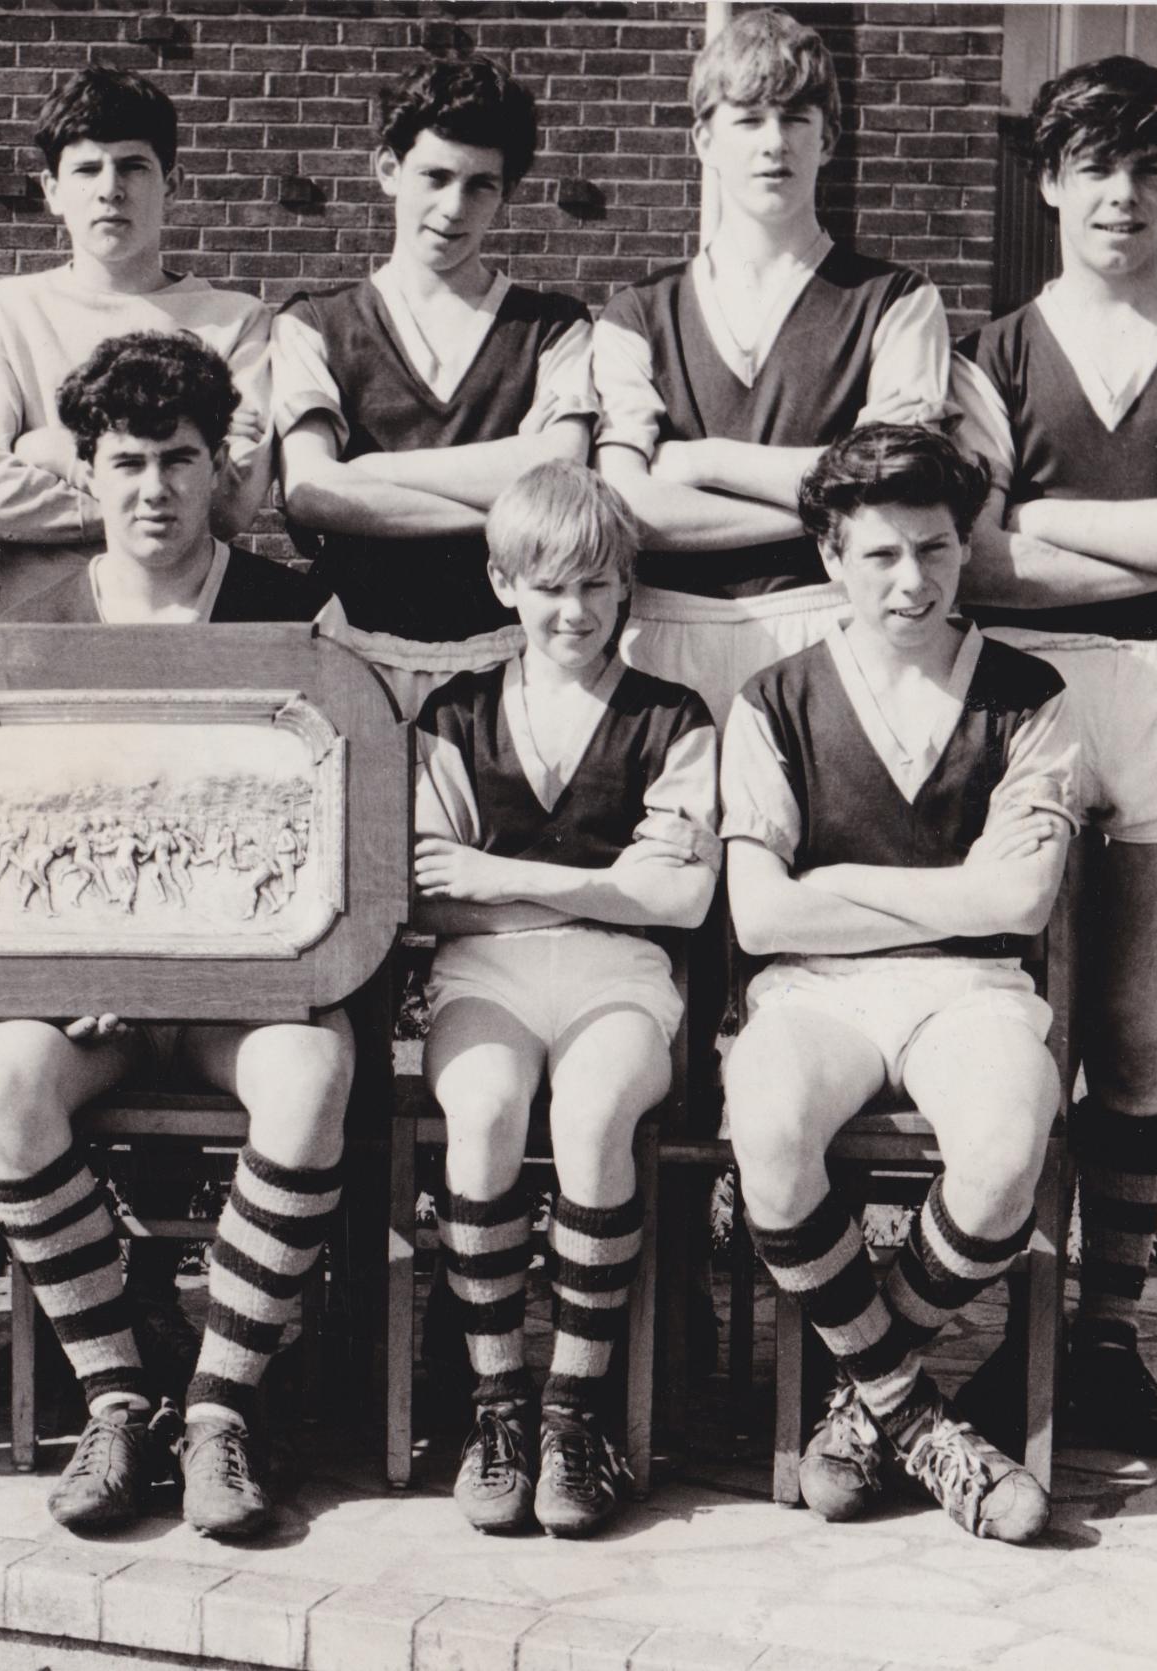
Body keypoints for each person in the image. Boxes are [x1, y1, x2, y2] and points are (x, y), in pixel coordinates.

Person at [949, 57, 1157, 1460]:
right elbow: (967, 560)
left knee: (1137, 1040)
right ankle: (1020, 1335)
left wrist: (1047, 527)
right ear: (1049, 180)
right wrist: (1119, 544)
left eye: (1150, 169)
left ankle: (1104, 1334)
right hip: (1026, 706)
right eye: (1096, 164)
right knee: (1031, 1037)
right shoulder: (990, 354)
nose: (1123, 193)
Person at [0, 332, 351, 1542]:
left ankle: (220, 1412)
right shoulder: (33, 621)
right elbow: (1, 835)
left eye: (178, 459)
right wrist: (68, 969)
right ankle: (118, 1393)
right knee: (3, 1070)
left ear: (221, 467)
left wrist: (266, 969)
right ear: (86, 473)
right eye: (125, 461)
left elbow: (342, 817)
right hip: (97, 1008)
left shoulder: (296, 613)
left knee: (314, 1071)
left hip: (251, 994)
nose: (153, 489)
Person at [722, 425, 1076, 1546]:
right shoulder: (773, 700)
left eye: (933, 549)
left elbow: (1018, 907)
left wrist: (838, 879)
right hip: (814, 986)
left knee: (1008, 1150)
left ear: (965, 548)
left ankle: (866, 1405)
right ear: (830, 558)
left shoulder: (1030, 695)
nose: (911, 582)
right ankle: (913, 1416)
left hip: (972, 989)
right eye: (879, 556)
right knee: (769, 1130)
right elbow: (760, 915)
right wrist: (950, 886)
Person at [412, 462, 717, 1538]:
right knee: (486, 1108)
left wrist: (512, 880)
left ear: (626, 589)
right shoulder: (453, 713)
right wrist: (593, 895)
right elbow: (426, 898)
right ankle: (498, 1404)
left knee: (594, 1116)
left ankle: (574, 1413)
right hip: (487, 974)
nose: (573, 611)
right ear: (504, 586)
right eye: (548, 586)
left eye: (596, 586)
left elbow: (678, 899)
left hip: (622, 980)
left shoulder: (671, 717)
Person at [592, 8, 951, 728]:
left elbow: (889, 487)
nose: (773, 142)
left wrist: (704, 460)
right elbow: (627, 510)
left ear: (829, 139)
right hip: (665, 641)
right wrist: (829, 507)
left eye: (795, 117)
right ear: (704, 139)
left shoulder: (896, 302)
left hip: (832, 628)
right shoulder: (636, 313)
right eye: (748, 118)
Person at [273, 57, 594, 705]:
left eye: (480, 185)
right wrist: (511, 498)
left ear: (506, 193)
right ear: (389, 170)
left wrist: (371, 469)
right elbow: (309, 489)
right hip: (352, 655)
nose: (454, 207)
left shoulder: (554, 326)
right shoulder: (314, 322)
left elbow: (561, 476)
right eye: (436, 176)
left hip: (511, 660)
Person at [0, 67, 276, 611]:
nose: (110, 190)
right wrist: (165, 496)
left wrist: (46, 450)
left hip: (198, 623)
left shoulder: (235, 322)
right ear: (51, 189)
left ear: (172, 182)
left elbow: (231, 505)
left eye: (133, 166)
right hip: (46, 629)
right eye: (86, 169)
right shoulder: (2, 313)